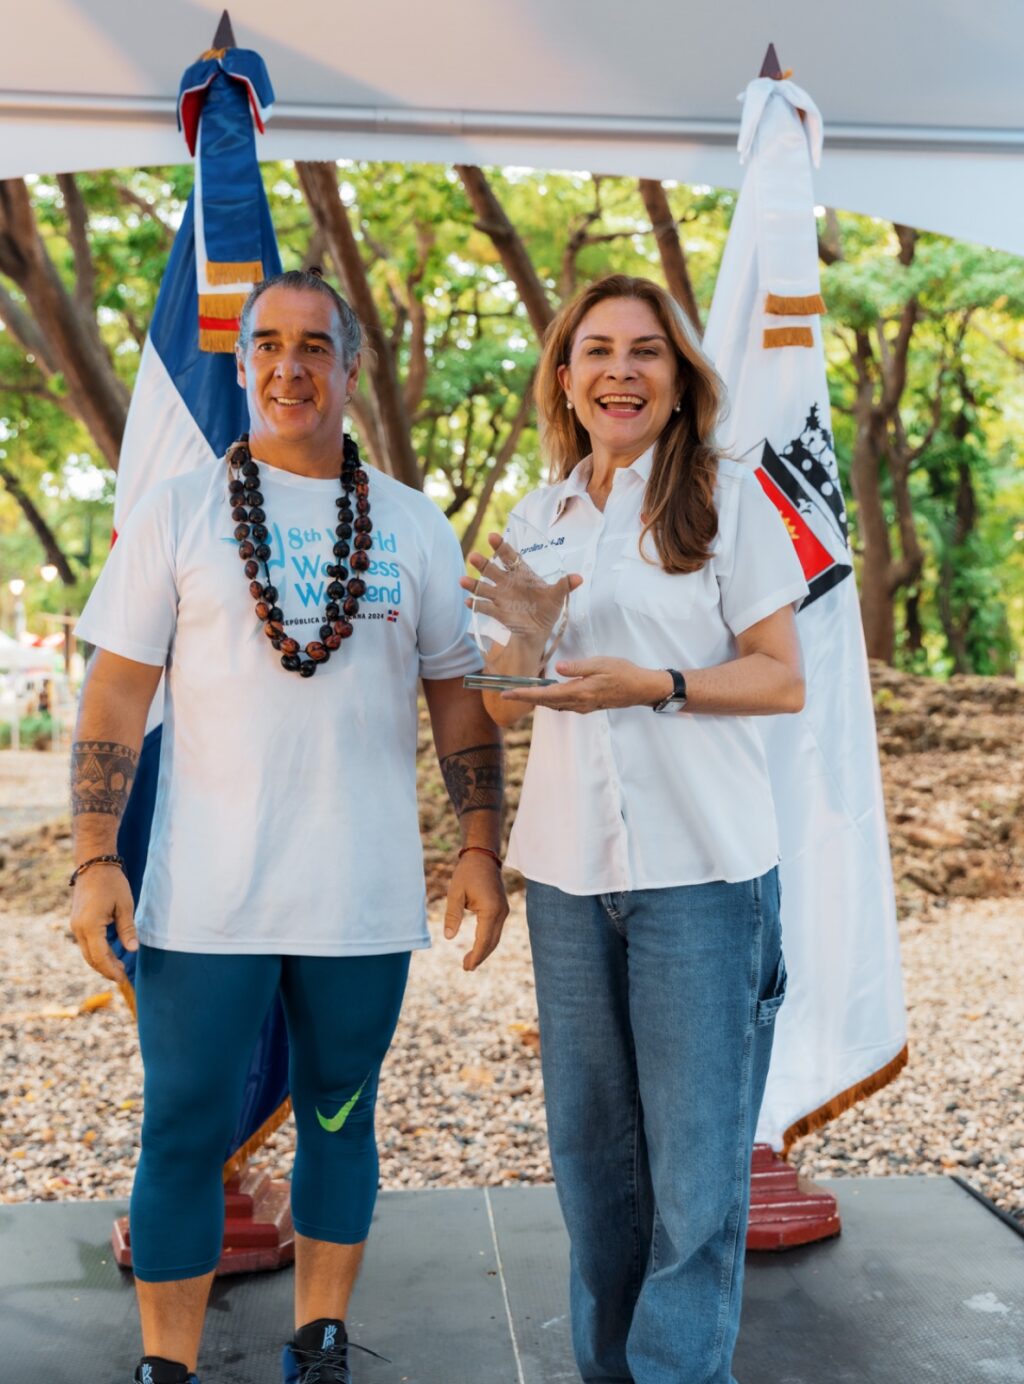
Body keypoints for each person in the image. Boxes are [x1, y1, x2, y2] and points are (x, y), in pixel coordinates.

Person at [70, 270, 509, 1384]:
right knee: (179, 1129)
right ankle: (165, 1362)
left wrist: (478, 846)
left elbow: (457, 695)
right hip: (203, 899)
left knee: (339, 1118)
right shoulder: (180, 511)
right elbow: (116, 697)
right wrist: (92, 860)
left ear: (349, 368)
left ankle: (318, 1340)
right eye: (266, 343)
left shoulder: (412, 523)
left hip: (357, 901)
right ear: (240, 361)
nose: (287, 365)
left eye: (314, 345)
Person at [463, 274, 809, 1384]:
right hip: (569, 877)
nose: (621, 369)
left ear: (678, 378)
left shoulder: (729, 495)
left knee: (698, 1177)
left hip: (702, 876)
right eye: (597, 350)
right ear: (564, 378)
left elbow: (779, 677)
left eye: (646, 351)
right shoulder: (537, 517)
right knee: (593, 1163)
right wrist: (517, 645)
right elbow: (503, 702)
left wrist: (656, 683)